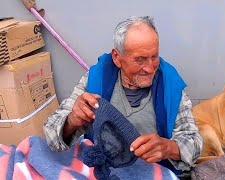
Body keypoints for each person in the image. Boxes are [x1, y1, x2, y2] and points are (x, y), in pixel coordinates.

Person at [44, 16, 203, 173]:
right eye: (140, 60)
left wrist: (168, 147)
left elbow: (194, 144)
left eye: (154, 57)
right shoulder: (96, 80)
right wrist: (72, 120)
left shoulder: (170, 85)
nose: (150, 68)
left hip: (155, 173)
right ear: (117, 58)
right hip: (103, 171)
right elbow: (51, 134)